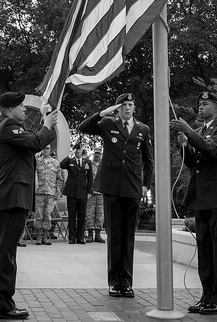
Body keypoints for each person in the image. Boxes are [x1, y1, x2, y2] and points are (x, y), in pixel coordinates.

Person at [0, 92, 58, 320]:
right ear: (8, 109)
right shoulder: (8, 126)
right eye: (21, 106)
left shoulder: (9, 126)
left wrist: (45, 119)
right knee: (5, 254)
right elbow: (35, 142)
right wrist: (46, 125)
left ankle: (2, 302)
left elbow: (30, 139)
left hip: (12, 198)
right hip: (10, 198)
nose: (25, 109)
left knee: (6, 253)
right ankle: (1, 304)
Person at [78, 92, 153, 299]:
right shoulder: (107, 123)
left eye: (131, 104)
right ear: (117, 108)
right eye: (124, 105)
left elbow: (148, 161)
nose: (128, 108)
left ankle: (127, 283)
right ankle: (114, 282)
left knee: (128, 237)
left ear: (134, 108)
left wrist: (146, 185)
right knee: (114, 237)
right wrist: (103, 113)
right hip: (111, 187)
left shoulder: (143, 129)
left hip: (132, 188)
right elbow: (83, 127)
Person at [172, 91, 217, 316]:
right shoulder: (199, 132)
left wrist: (189, 133)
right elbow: (193, 163)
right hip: (201, 198)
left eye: (205, 104)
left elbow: (213, 151)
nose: (200, 107)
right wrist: (185, 146)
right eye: (199, 104)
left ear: (216, 108)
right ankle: (207, 296)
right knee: (205, 251)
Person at [60, 147, 93, 244]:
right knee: (72, 216)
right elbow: (62, 165)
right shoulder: (71, 161)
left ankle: (80, 237)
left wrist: (89, 192)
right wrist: (70, 155)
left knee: (82, 216)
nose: (78, 151)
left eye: (79, 149)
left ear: (82, 151)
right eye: (76, 149)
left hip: (82, 193)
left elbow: (90, 178)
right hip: (72, 192)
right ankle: (72, 237)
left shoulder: (87, 162)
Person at [32, 149, 61, 245]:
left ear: (50, 150)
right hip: (39, 192)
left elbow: (59, 179)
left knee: (48, 215)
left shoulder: (55, 163)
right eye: (44, 148)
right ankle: (38, 237)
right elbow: (33, 176)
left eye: (47, 148)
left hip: (50, 192)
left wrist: (58, 191)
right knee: (38, 215)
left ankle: (45, 237)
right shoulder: (37, 161)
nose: (45, 150)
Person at [85, 149, 105, 242]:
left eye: (98, 154)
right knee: (90, 213)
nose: (97, 155)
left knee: (100, 214)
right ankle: (90, 235)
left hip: (101, 193)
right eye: (95, 153)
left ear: (101, 155)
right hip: (91, 193)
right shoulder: (89, 164)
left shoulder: (104, 165)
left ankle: (98, 235)